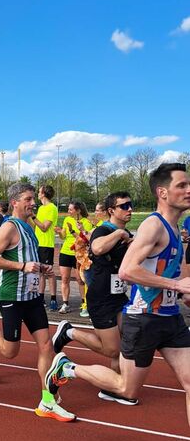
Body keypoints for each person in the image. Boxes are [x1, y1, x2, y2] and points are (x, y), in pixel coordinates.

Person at [45, 163, 190, 427]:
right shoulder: (152, 226)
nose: (189, 190)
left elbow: (162, 273)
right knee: (126, 388)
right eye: (182, 185)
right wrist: (176, 285)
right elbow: (127, 270)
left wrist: (181, 290)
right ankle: (67, 368)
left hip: (169, 317)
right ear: (163, 192)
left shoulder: (175, 232)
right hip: (143, 316)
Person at [0, 182, 76, 422]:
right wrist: (22, 266)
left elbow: (28, 259)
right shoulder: (9, 227)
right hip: (12, 296)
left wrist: (41, 269)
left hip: (31, 296)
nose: (33, 203)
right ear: (15, 202)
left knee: (46, 346)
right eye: (29, 199)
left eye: (34, 199)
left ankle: (47, 400)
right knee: (10, 351)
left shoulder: (29, 226)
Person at [51, 191, 136, 403]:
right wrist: (120, 235)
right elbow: (97, 248)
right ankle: (69, 332)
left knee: (126, 342)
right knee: (111, 349)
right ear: (111, 211)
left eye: (130, 205)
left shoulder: (125, 232)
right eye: (124, 206)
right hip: (100, 297)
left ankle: (115, 387)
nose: (129, 209)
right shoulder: (103, 230)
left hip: (118, 295)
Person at [57, 200, 92, 314]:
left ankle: (84, 304)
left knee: (80, 280)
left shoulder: (86, 222)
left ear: (78, 210)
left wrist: (72, 230)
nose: (68, 211)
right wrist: (59, 232)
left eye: (70, 209)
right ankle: (65, 304)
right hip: (65, 252)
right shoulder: (67, 219)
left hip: (79, 254)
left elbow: (83, 240)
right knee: (65, 279)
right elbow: (63, 236)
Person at [29, 184, 59, 311]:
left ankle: (53, 299)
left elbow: (44, 227)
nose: (38, 193)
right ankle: (40, 298)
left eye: (39, 191)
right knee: (39, 273)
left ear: (44, 193)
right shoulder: (41, 208)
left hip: (46, 244)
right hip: (38, 244)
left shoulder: (52, 208)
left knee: (49, 272)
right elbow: (36, 226)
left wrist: (33, 216)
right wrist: (29, 216)